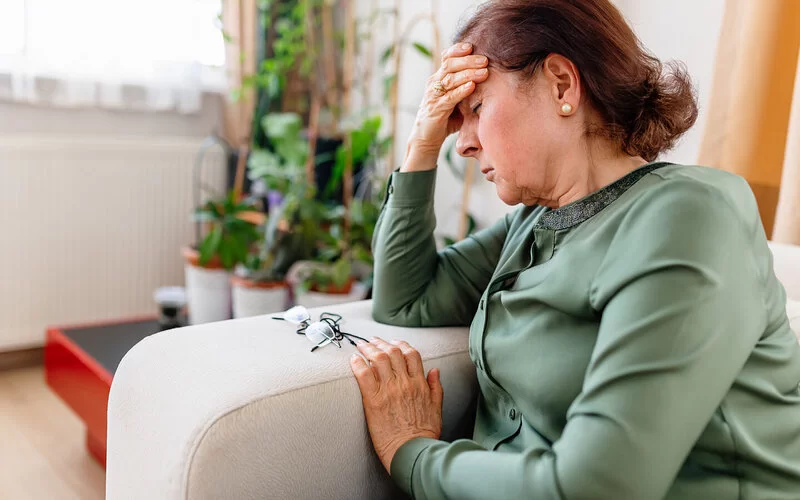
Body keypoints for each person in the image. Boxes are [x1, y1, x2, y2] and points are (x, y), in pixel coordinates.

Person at [348, 0, 800, 498]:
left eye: (476, 109)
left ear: (561, 84)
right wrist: (421, 141)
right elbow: (406, 299)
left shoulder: (690, 216)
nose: (464, 143)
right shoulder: (534, 221)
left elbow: (598, 487)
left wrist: (412, 454)